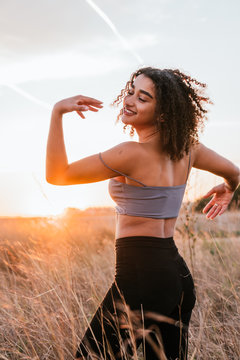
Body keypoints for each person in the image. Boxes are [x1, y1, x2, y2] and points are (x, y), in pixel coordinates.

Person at [46, 67, 240, 360]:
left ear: (162, 113)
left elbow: (57, 175)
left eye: (143, 98)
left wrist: (57, 113)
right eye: (131, 91)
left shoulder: (129, 154)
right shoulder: (189, 149)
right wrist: (229, 188)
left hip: (141, 276)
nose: (130, 100)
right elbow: (235, 173)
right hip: (177, 276)